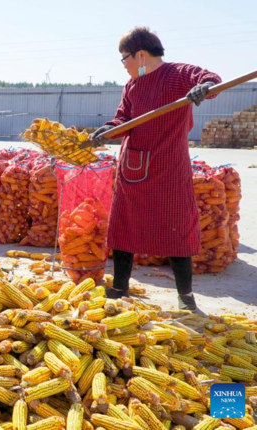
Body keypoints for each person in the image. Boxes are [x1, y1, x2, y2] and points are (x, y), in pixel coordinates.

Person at [90, 27, 221, 313]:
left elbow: (210, 80)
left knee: (177, 229)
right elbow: (123, 118)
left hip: (169, 168)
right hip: (133, 167)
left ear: (140, 54)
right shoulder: (132, 86)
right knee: (125, 226)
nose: (123, 65)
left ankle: (185, 296)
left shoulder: (177, 74)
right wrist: (107, 131)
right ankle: (120, 287)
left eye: (124, 59)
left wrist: (204, 87)